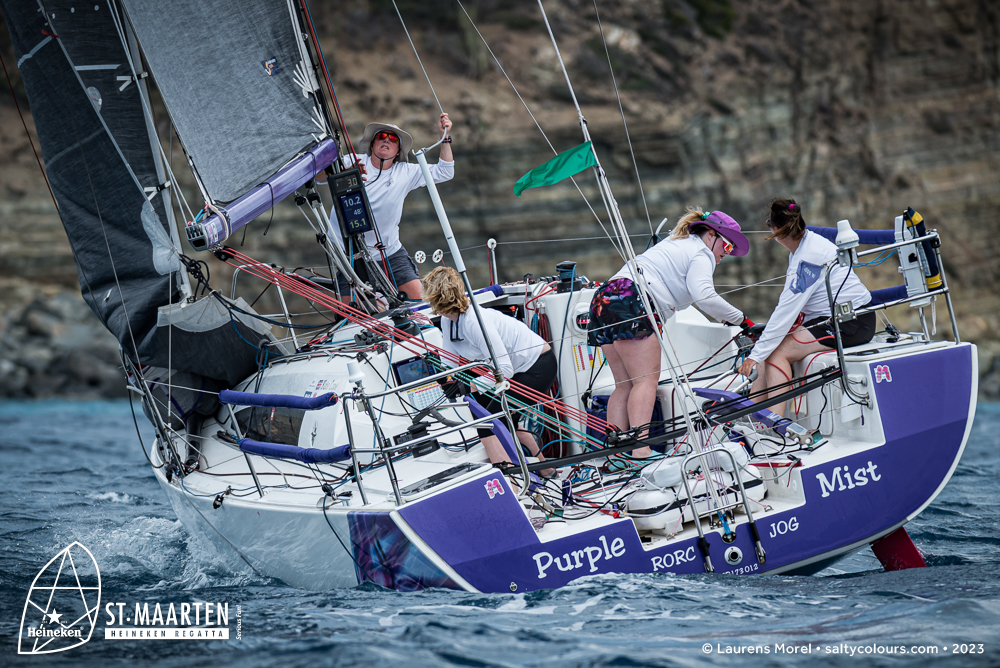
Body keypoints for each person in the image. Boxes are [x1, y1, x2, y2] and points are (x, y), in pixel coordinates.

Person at [587, 207, 752, 458]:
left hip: (605, 297)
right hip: (635, 300)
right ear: (711, 235)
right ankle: (640, 451)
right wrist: (742, 320)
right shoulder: (701, 253)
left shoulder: (676, 243)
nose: (726, 254)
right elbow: (704, 295)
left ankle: (614, 457)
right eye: (727, 247)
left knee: (624, 386)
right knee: (645, 381)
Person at [737, 198, 875, 416]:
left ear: (775, 231)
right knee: (766, 348)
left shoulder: (807, 259)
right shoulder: (807, 245)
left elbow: (786, 311)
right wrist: (759, 351)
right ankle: (750, 419)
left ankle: (774, 425)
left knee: (776, 354)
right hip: (840, 317)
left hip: (853, 322)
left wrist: (756, 355)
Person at [422, 266, 556, 474]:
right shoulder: (450, 320)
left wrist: (472, 387)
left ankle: (510, 481)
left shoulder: (475, 322)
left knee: (488, 421)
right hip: (509, 370)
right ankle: (547, 470)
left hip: (536, 366)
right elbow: (449, 361)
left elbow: (504, 369)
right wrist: (443, 377)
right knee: (495, 415)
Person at [334, 113, 454, 301]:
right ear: (372, 144)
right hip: (350, 256)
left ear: (398, 151)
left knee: (421, 303)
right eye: (381, 137)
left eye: (392, 139)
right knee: (359, 317)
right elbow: (318, 178)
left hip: (389, 252)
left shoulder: (405, 171)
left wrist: (444, 137)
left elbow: (445, 171)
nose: (386, 140)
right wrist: (344, 174)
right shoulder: (352, 161)